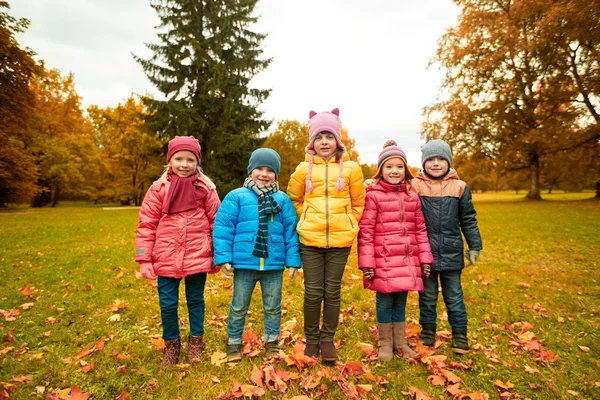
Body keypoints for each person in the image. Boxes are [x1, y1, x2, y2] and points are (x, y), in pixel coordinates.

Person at [287, 108, 365, 362]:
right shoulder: (302, 169)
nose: (324, 142)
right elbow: (294, 199)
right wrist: (308, 216)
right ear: (312, 141)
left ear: (338, 140)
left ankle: (327, 339)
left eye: (329, 137)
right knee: (312, 292)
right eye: (319, 137)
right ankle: (311, 340)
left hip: (340, 241)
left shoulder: (352, 169)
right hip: (310, 240)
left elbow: (358, 202)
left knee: (332, 291)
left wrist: (349, 220)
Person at [135, 136, 220, 367]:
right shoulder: (158, 189)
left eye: (190, 159)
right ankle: (171, 344)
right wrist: (144, 259)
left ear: (197, 162)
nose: (184, 164)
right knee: (167, 302)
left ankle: (196, 342)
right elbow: (146, 225)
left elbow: (216, 223)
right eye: (179, 158)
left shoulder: (206, 189)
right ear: (170, 160)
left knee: (195, 299)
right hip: (165, 256)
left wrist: (218, 254)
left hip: (197, 255)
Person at [213, 148, 301, 362]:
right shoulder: (236, 197)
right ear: (251, 170)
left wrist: (293, 262)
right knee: (239, 305)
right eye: (259, 169)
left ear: (276, 174)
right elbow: (224, 227)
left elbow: (291, 231)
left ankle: (271, 342)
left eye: (270, 170)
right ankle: (233, 342)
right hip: (245, 263)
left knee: (272, 306)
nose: (264, 174)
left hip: (273, 265)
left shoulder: (282, 199)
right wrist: (224, 257)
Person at [358, 141, 434, 362]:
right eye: (389, 166)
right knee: (384, 301)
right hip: (383, 260)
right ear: (380, 170)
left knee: (400, 301)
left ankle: (400, 341)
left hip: (407, 260)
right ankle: (385, 343)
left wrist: (425, 259)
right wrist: (367, 263)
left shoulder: (412, 196)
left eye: (399, 167)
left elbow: (420, 230)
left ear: (406, 170)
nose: (394, 171)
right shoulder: (373, 195)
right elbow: (366, 231)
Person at [412, 139, 483, 354]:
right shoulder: (414, 186)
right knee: (427, 296)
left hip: (452, 252)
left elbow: (468, 219)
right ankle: (427, 332)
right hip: (425, 254)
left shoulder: (460, 187)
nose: (435, 164)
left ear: (448, 162)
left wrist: (474, 246)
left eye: (440, 159)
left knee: (454, 296)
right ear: (423, 163)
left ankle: (460, 335)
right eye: (430, 159)